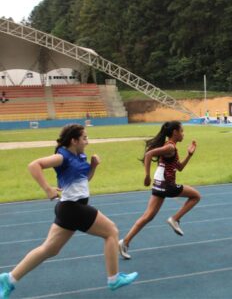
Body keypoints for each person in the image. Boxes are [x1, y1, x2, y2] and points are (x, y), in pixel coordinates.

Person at [0, 124, 138, 299]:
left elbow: (84, 180)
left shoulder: (80, 155)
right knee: (111, 231)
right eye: (85, 138)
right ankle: (114, 279)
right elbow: (34, 165)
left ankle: (9, 279)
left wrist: (93, 166)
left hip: (69, 209)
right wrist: (47, 188)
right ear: (74, 140)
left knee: (49, 249)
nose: (87, 142)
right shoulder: (62, 156)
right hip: (73, 208)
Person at [118, 121, 201, 260]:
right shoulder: (170, 147)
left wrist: (189, 155)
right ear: (175, 132)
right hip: (167, 184)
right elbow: (149, 154)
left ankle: (124, 242)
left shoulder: (170, 147)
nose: (183, 134)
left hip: (159, 184)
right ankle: (175, 219)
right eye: (182, 131)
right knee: (196, 196)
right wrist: (146, 175)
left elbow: (179, 167)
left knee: (148, 216)